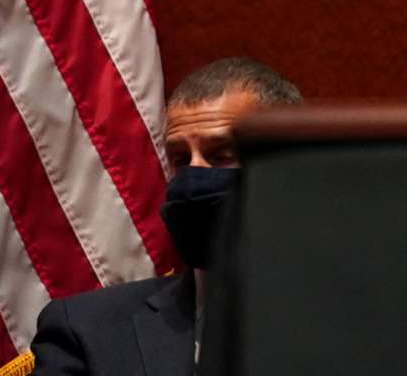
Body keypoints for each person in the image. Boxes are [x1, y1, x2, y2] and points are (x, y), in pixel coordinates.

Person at [28, 56, 303, 376]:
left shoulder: (359, 317)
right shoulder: (84, 331)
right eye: (180, 159)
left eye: (221, 155)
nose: (193, 176)